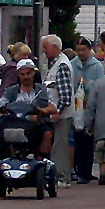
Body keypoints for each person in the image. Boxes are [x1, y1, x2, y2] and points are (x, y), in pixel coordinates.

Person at [0, 58, 56, 160]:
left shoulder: (43, 90)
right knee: (3, 132)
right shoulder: (11, 91)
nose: (26, 77)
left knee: (48, 133)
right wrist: (3, 111)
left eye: (28, 73)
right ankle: (8, 159)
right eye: (22, 74)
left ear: (33, 73)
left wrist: (43, 111)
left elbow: (53, 107)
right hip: (16, 124)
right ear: (18, 75)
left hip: (37, 124)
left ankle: (42, 161)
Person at [41, 34, 74, 187]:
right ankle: (60, 176)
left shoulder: (61, 66)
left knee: (59, 147)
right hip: (57, 113)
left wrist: (57, 111)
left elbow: (66, 95)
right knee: (58, 146)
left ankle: (62, 177)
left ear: (55, 47)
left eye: (45, 47)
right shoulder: (55, 63)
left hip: (62, 115)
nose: (44, 51)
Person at [71, 37, 104, 184]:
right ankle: (79, 170)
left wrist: (86, 83)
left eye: (83, 50)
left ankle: (86, 171)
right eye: (78, 50)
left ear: (89, 50)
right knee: (77, 139)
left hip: (90, 106)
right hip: (76, 106)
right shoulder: (73, 65)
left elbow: (99, 85)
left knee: (88, 139)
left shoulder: (97, 66)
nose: (81, 53)